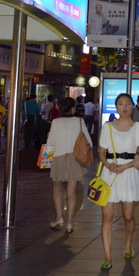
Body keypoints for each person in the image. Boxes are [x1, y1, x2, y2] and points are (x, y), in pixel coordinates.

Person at [97, 93, 139, 270]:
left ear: (132, 106)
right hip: (109, 174)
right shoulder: (108, 126)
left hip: (129, 173)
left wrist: (127, 165)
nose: (124, 107)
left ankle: (128, 244)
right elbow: (101, 152)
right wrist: (108, 165)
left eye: (127, 104)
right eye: (120, 104)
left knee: (128, 216)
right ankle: (107, 257)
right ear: (116, 107)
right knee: (107, 217)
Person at [47, 97, 90, 233]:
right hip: (75, 158)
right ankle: (70, 223)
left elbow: (51, 143)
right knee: (71, 192)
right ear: (73, 108)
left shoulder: (56, 122)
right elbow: (89, 141)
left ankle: (59, 217)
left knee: (57, 188)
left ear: (60, 108)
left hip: (58, 157)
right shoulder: (80, 121)